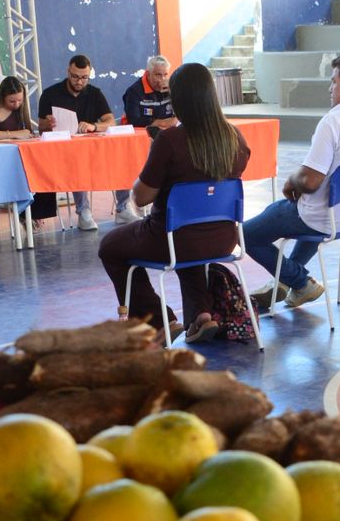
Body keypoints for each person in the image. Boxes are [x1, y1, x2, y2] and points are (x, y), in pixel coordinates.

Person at [98, 63, 252, 339]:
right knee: (188, 235)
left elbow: (141, 197)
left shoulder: (170, 141)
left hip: (173, 238)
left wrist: (153, 158)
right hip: (224, 238)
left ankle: (160, 321)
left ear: (177, 100)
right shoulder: (235, 138)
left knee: (109, 246)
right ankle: (202, 316)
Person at [242, 53, 340, 310]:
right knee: (309, 210)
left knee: (245, 234)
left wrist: (292, 179)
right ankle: (286, 282)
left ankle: (300, 281)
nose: (330, 88)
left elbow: (309, 182)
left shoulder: (334, 122)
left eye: (333, 81)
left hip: (323, 216)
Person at [37, 55, 116, 230]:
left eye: (84, 77)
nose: (79, 82)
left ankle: (124, 207)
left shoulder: (95, 93)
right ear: (68, 72)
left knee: (118, 155)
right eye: (75, 77)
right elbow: (40, 127)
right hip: (62, 152)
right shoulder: (50, 94)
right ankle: (84, 211)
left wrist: (94, 126)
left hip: (92, 150)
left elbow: (111, 122)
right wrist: (48, 123)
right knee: (77, 160)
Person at [115, 56, 178, 222]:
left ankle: (162, 202)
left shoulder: (171, 89)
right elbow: (134, 119)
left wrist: (174, 93)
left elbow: (181, 115)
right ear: (148, 74)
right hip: (134, 139)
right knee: (124, 161)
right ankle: (123, 207)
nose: (161, 79)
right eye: (158, 75)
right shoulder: (135, 91)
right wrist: (161, 122)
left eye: (165, 75)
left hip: (161, 139)